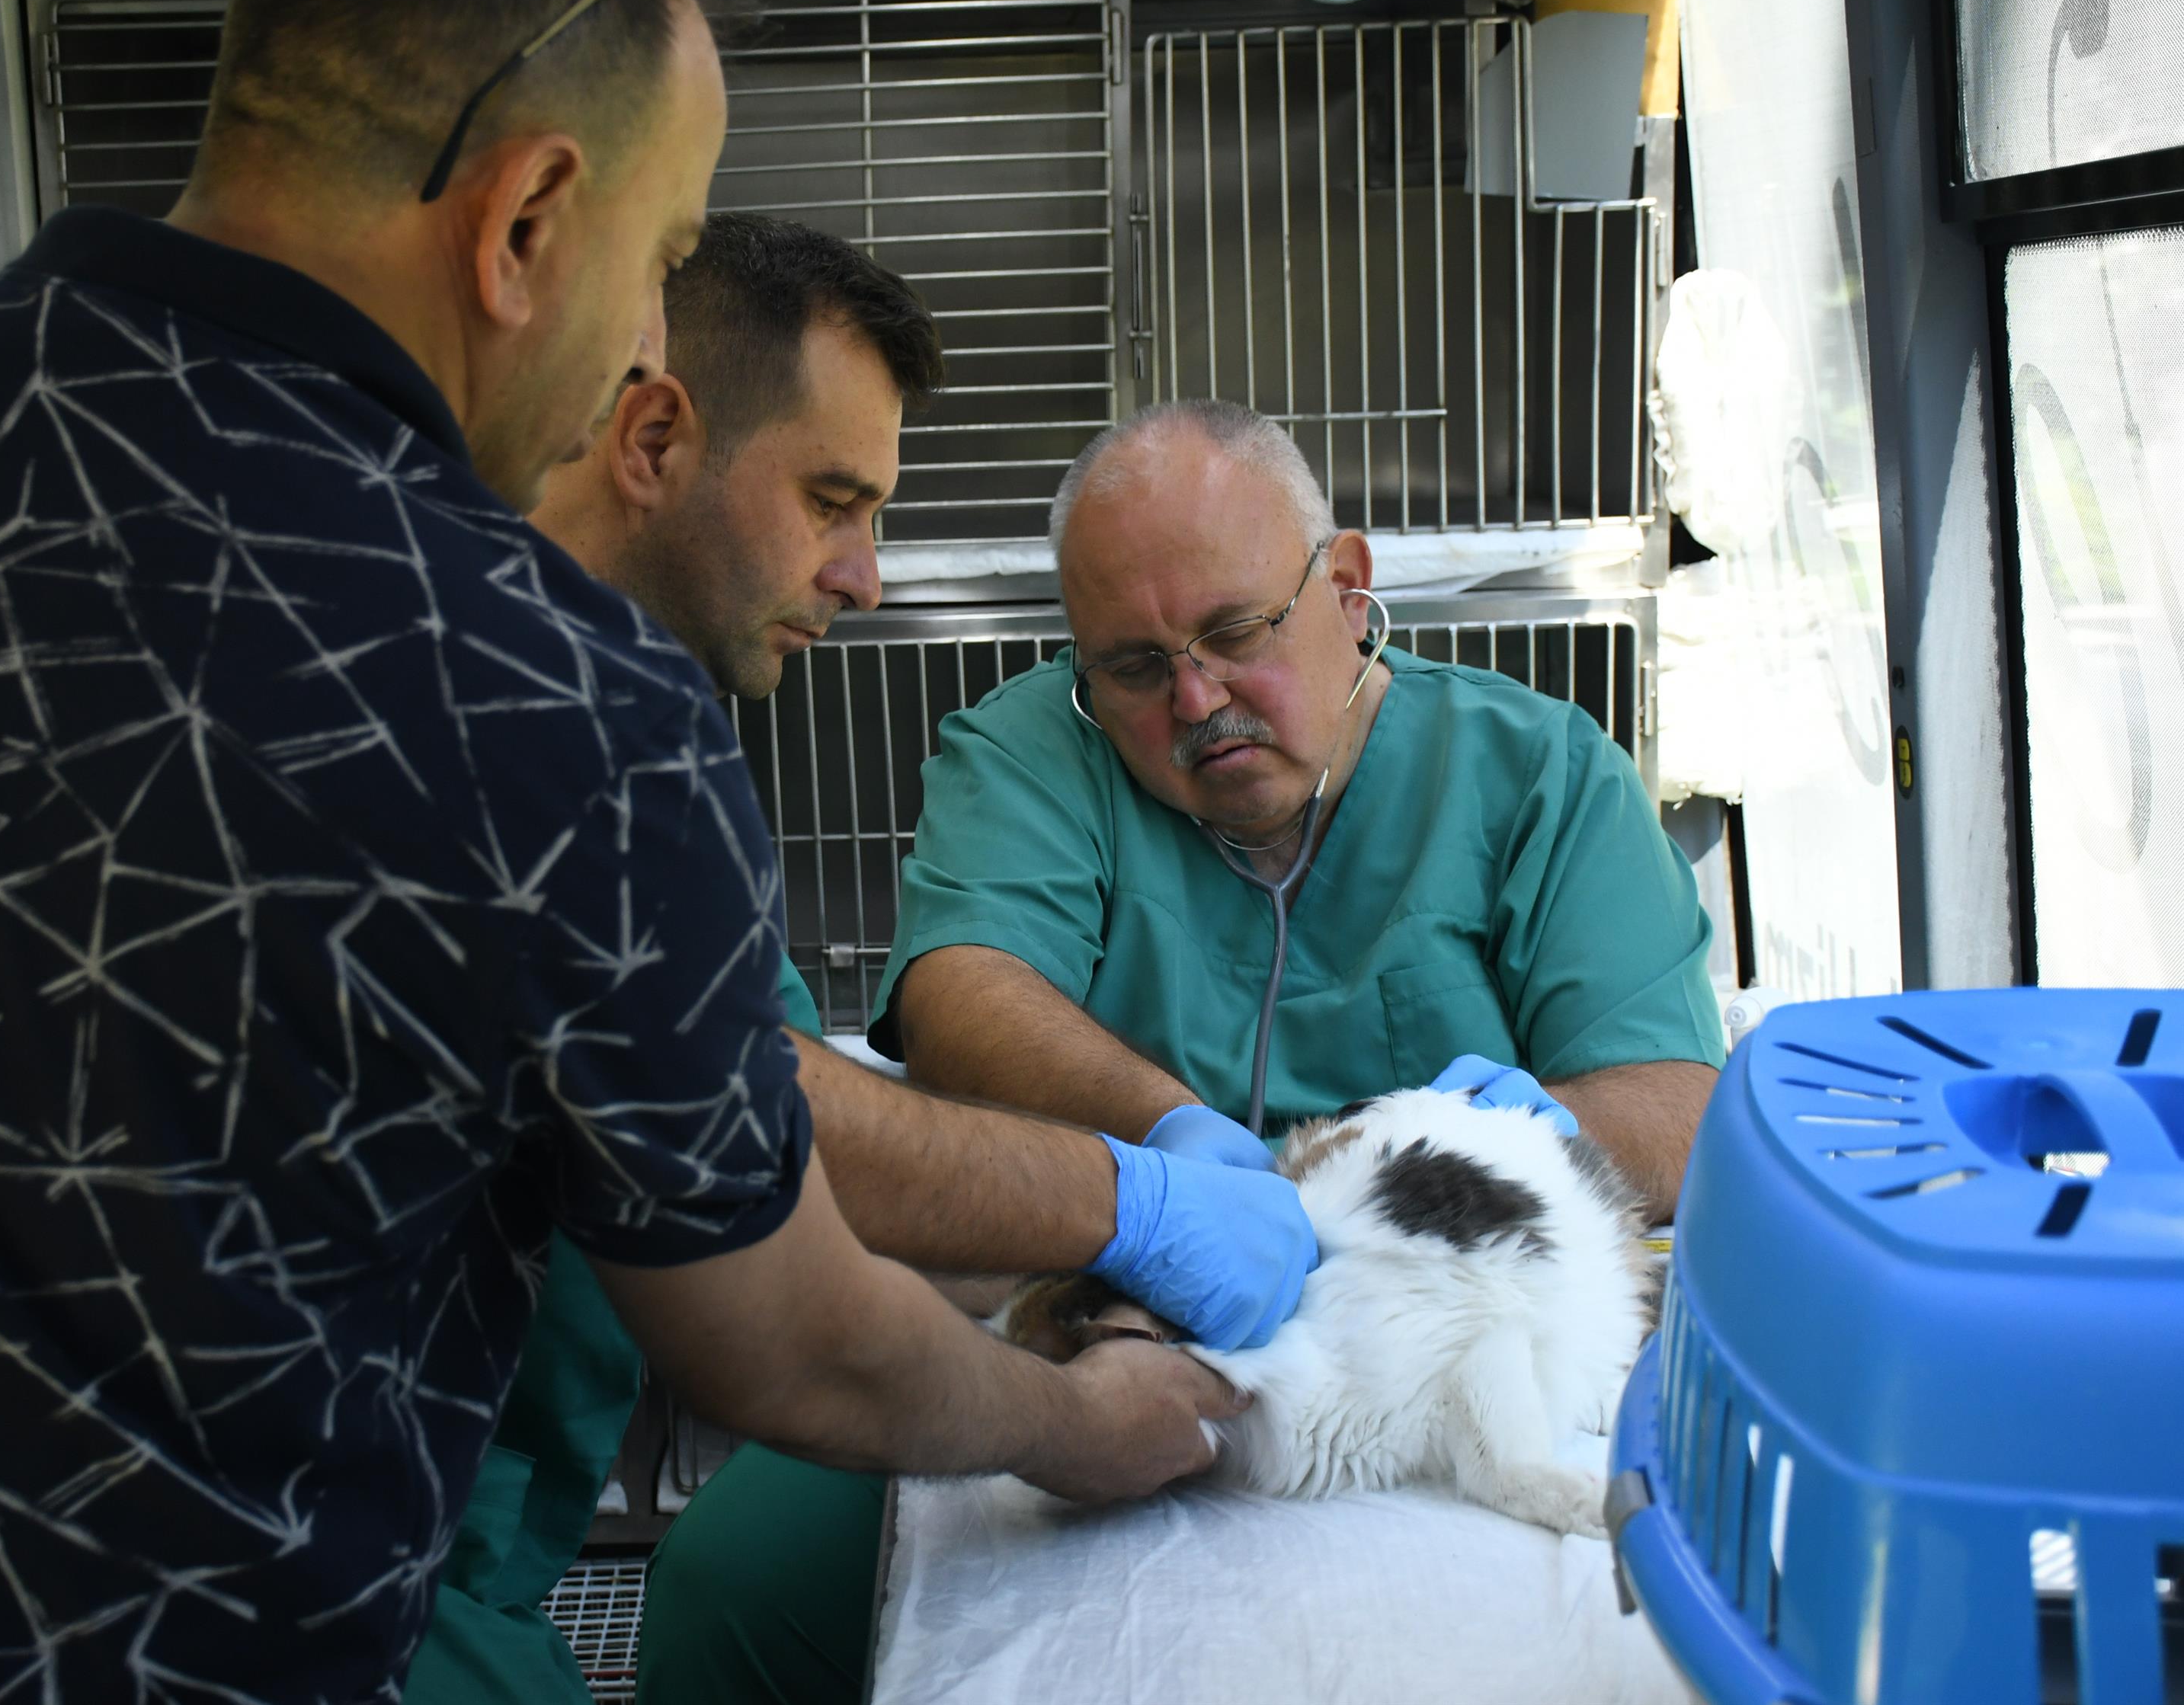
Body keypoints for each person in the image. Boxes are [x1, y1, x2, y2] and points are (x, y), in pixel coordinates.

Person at [0, 0, 1260, 1697]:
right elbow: (792, 1344)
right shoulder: (532, 682)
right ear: (522, 225)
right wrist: (1077, 1415)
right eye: (657, 262)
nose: (648, 347)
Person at [645, 397, 1728, 1702]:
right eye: (1139, 667)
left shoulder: (1539, 775)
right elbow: (958, 991)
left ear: (1345, 582)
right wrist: (1170, 1151)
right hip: (1094, 1307)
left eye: (1234, 634)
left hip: (1434, 1342)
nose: (1200, 699)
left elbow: (1680, 1098)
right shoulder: (1040, 747)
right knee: (730, 1592)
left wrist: (1518, 1133)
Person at [404, 212, 1324, 1704]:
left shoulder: (630, 732)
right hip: (364, 1582)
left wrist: (1108, 1235)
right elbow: (783, 1177)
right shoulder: (536, 727)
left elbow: (801, 1135)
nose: (866, 575)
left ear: (1343, 589)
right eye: (833, 500)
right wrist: (1127, 1214)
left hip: (464, 1552)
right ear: (650, 436)